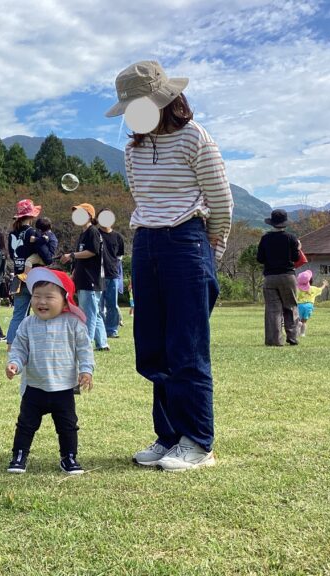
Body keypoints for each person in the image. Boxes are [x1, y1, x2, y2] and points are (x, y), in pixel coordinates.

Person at [107, 61, 232, 471]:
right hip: (146, 243)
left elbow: (221, 202)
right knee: (153, 349)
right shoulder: (133, 149)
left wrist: (211, 253)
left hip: (187, 241)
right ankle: (169, 437)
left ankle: (198, 442)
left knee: (187, 347)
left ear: (165, 100)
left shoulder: (195, 137)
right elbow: (145, 201)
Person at [5, 267, 94, 474]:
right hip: (34, 387)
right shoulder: (28, 323)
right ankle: (19, 455)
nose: (41, 302)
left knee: (68, 426)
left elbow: (84, 349)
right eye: (36, 297)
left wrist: (86, 370)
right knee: (25, 425)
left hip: (63, 388)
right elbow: (19, 349)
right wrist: (14, 364)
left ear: (65, 300)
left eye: (48, 297)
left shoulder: (73, 323)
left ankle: (69, 457)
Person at [60, 203, 109, 352]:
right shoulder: (83, 234)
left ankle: (85, 344)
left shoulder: (92, 231)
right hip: (83, 278)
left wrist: (72, 255)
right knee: (94, 312)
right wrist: (74, 271)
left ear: (89, 216)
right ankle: (102, 343)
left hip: (91, 279)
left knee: (89, 313)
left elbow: (92, 251)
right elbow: (81, 257)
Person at [257, 209, 301, 346]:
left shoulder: (265, 238)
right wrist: (298, 248)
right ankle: (292, 336)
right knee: (290, 306)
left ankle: (274, 340)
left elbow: (260, 258)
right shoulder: (291, 238)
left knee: (272, 309)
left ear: (272, 223)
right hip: (288, 276)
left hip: (270, 277)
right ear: (285, 223)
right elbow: (295, 257)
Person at [6, 199, 41, 349]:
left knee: (18, 314)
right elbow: (41, 252)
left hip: (18, 276)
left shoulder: (11, 234)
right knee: (41, 312)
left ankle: (11, 343)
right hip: (33, 276)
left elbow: (12, 255)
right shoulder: (32, 233)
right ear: (31, 216)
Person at [97, 210, 125, 338]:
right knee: (98, 305)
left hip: (113, 274)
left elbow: (119, 256)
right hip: (97, 274)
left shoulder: (118, 236)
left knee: (112, 305)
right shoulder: (95, 233)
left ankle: (112, 330)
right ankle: (101, 329)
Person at [296, 270, 328, 336]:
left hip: (299, 306)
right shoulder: (313, 288)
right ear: (310, 280)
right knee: (304, 321)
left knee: (298, 321)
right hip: (309, 306)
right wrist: (324, 285)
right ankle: (302, 334)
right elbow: (320, 289)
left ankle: (297, 331)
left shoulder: (298, 289)